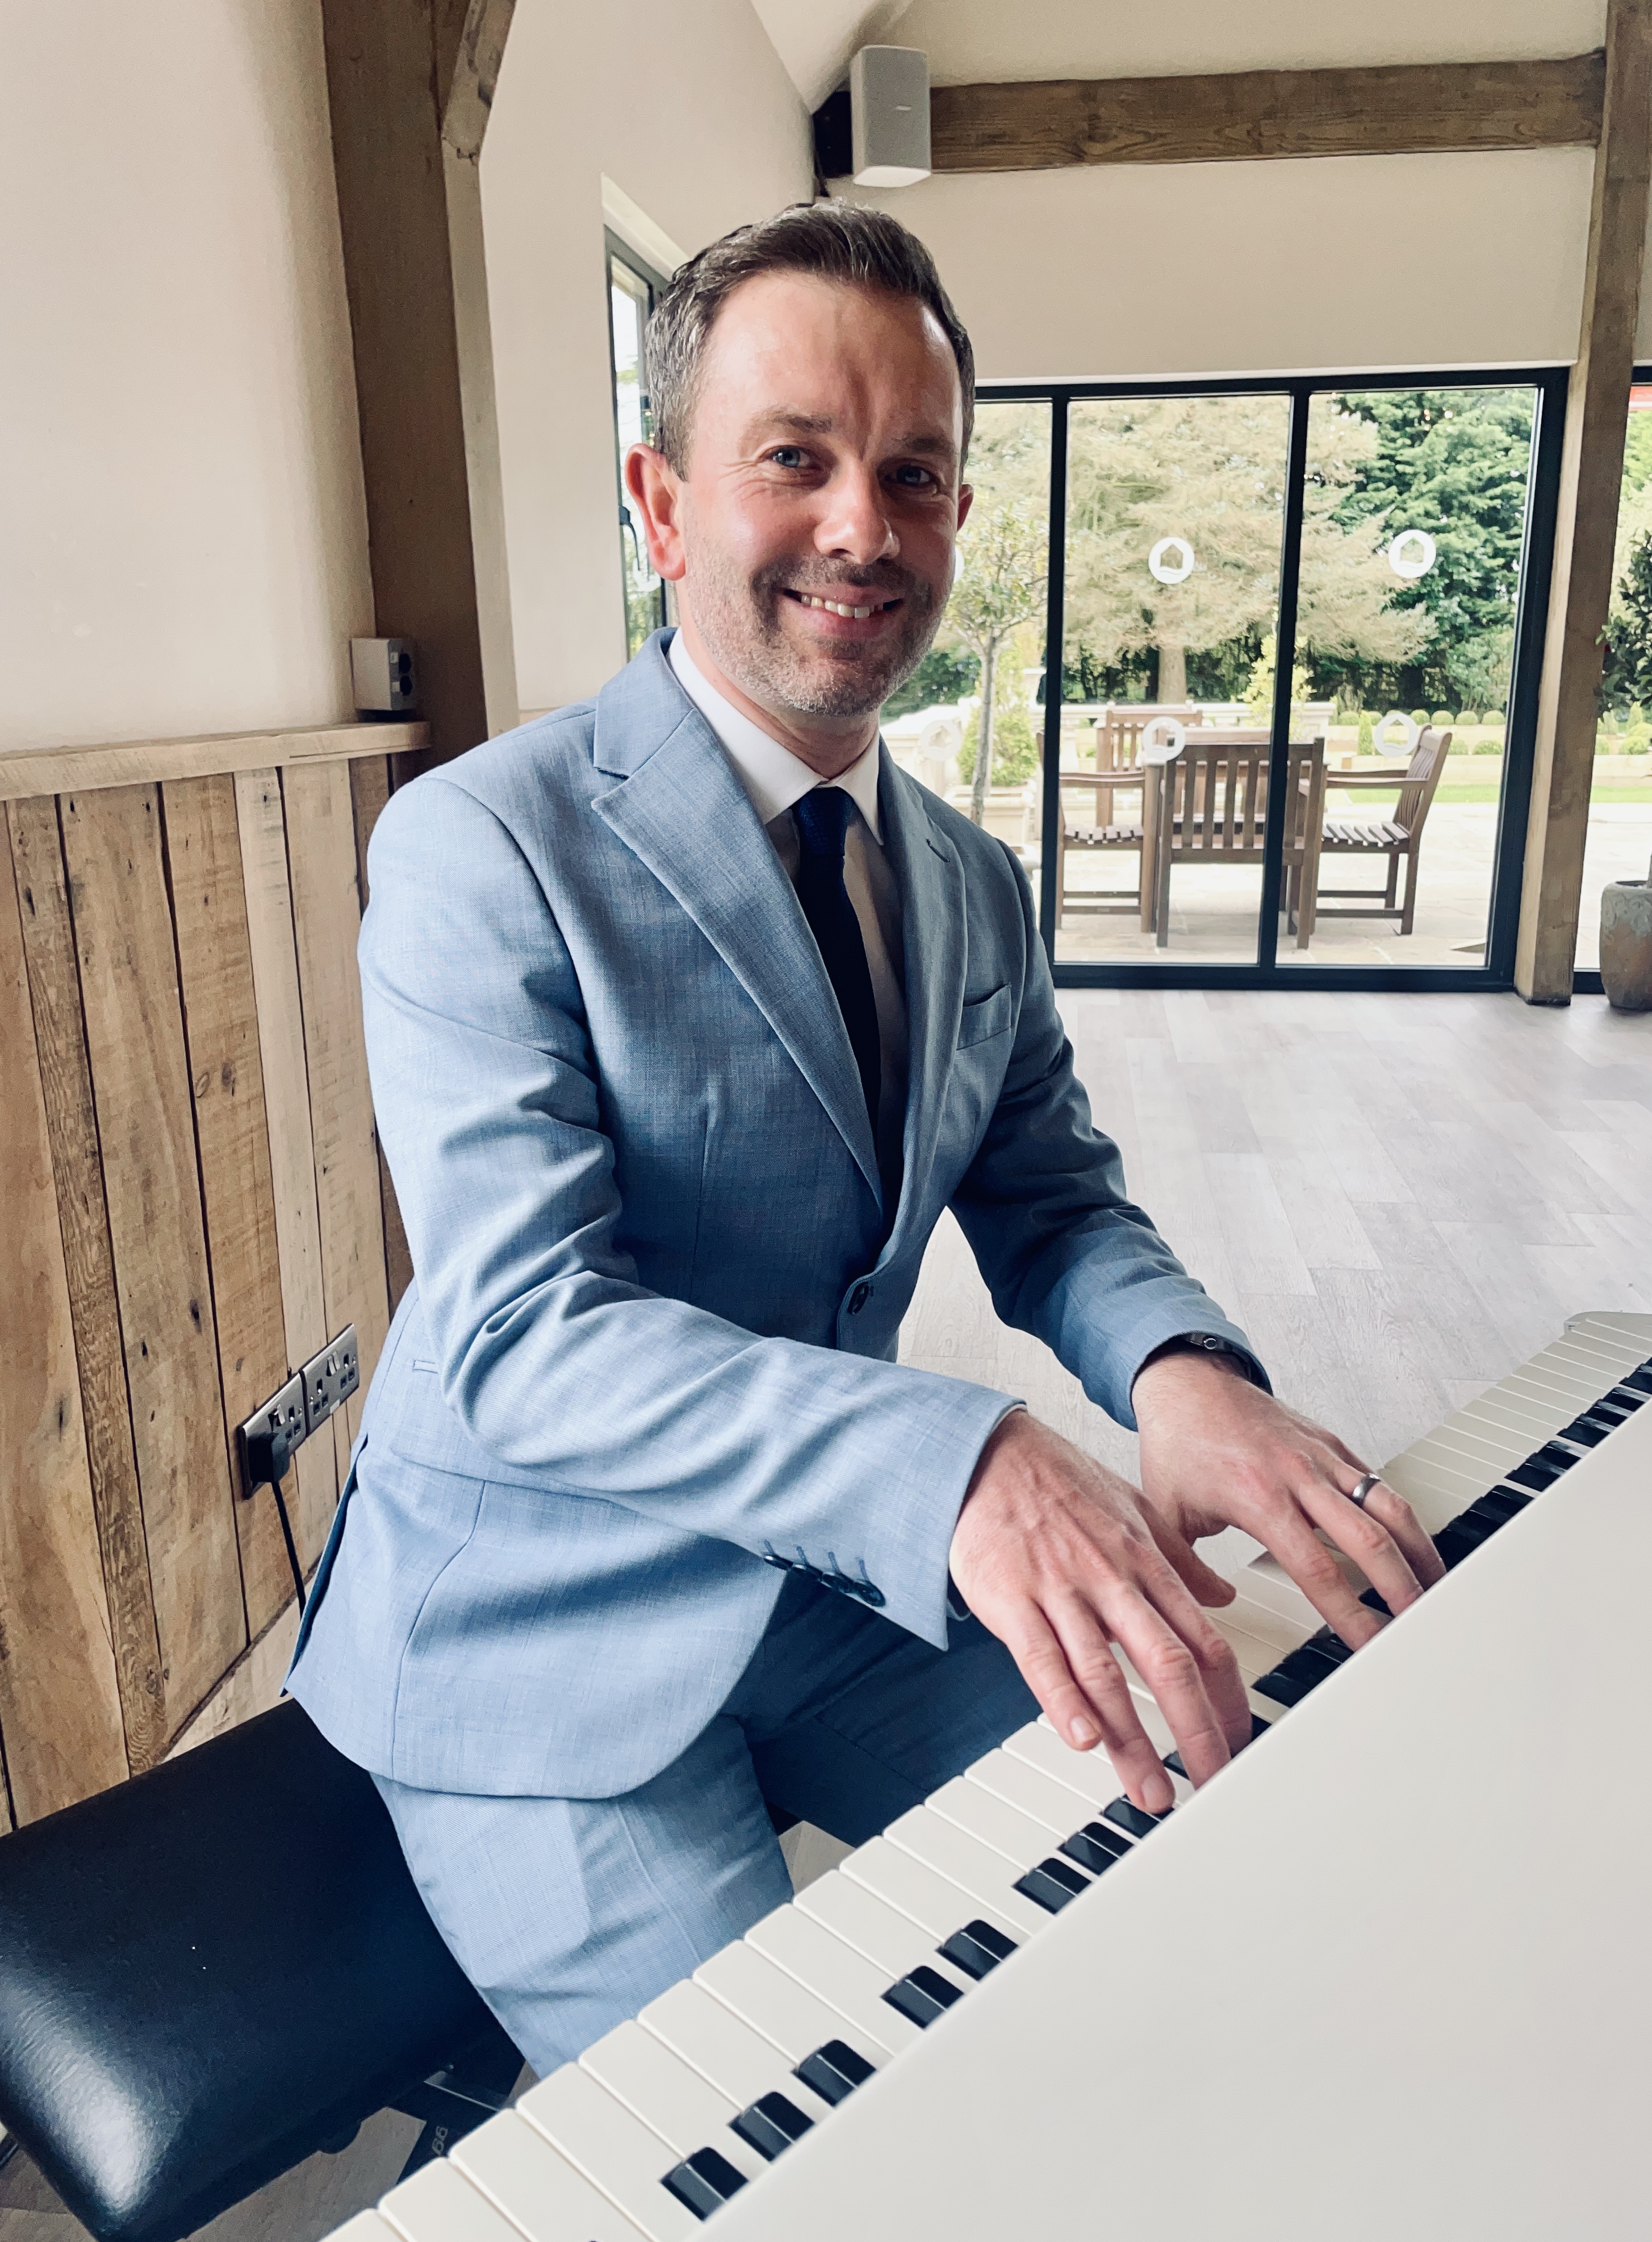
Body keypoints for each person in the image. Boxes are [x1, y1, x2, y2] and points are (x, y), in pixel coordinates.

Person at [287, 202, 1442, 2075]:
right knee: (811, 2130)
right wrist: (970, 1457)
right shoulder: (478, 843)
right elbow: (517, 1337)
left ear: (958, 523)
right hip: (535, 1628)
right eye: (793, 462)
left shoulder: (970, 883)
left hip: (816, 1572)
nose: (858, 526)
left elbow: (1050, 1198)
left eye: (911, 473)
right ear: (663, 509)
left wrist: (1178, 1374)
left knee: (1214, 1839)